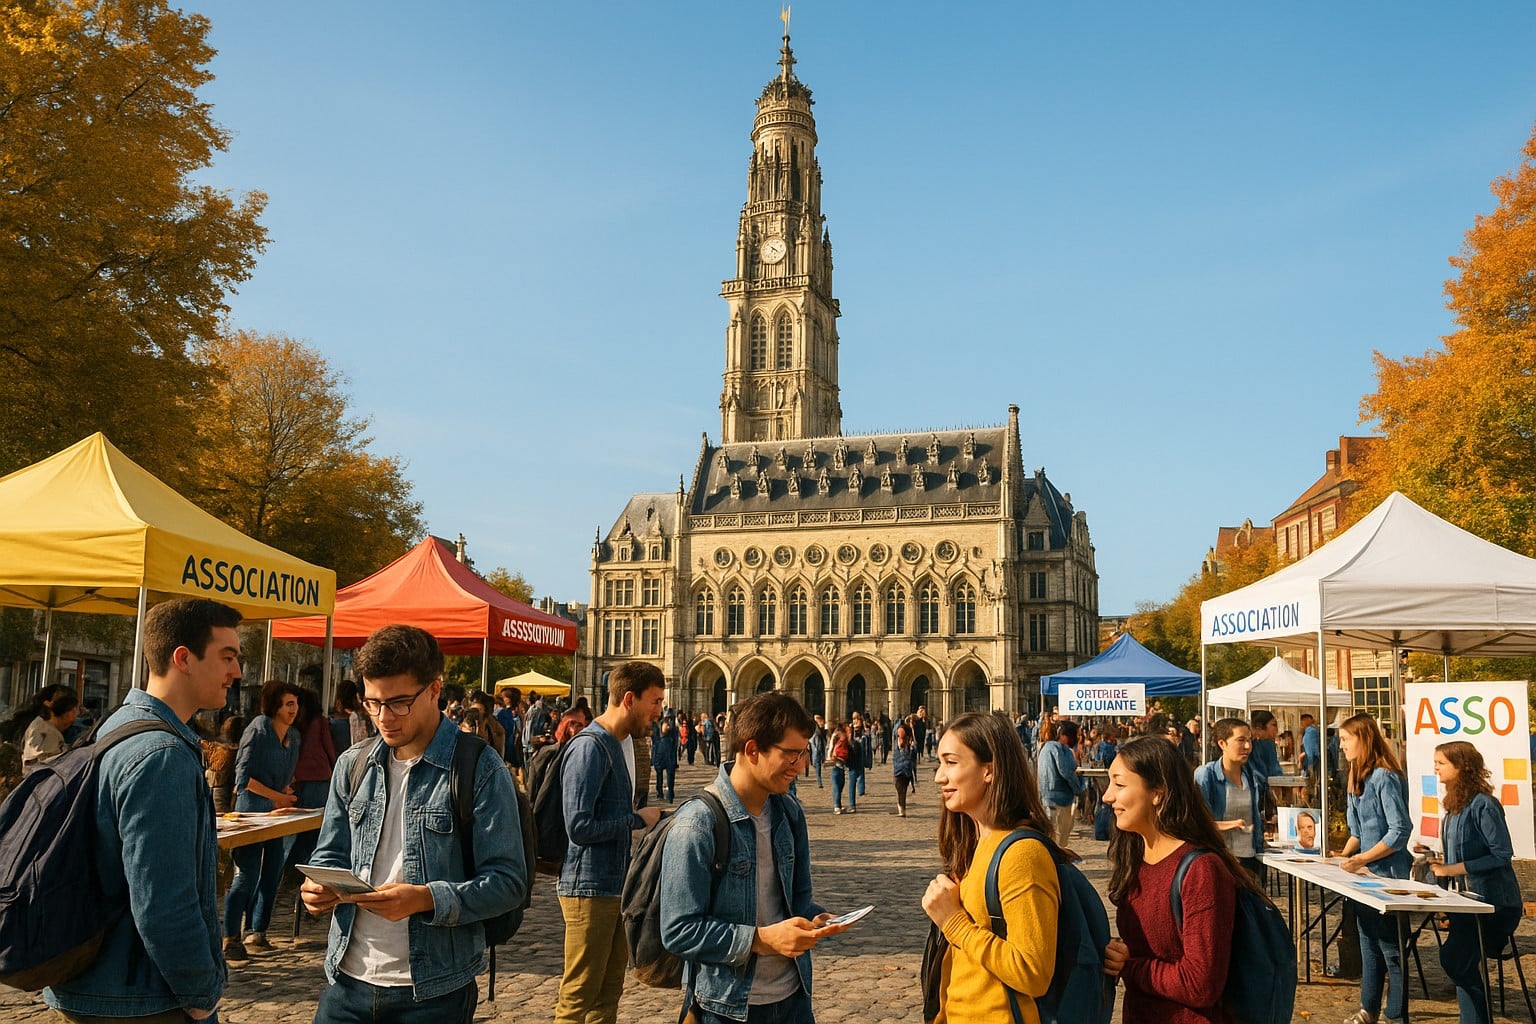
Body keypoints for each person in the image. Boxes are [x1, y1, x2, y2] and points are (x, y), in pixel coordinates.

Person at [300, 624, 526, 1024]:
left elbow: (508, 883)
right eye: (373, 703)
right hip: (347, 982)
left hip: (434, 991)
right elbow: (330, 853)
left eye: (399, 702)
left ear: (435, 689)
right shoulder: (353, 764)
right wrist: (318, 888)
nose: (384, 718)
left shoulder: (478, 767)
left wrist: (425, 898)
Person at [43, 598, 242, 1023]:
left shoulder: (118, 724)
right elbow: (164, 903)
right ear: (183, 658)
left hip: (97, 983)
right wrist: (202, 993)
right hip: (142, 999)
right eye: (227, 657)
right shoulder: (161, 754)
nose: (237, 672)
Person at [659, 692, 848, 1023]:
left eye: (804, 753)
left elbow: (798, 901)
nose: (802, 766)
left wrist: (817, 920)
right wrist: (761, 940)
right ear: (752, 750)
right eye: (792, 755)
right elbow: (678, 930)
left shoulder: (789, 813)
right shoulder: (698, 822)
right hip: (726, 1008)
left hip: (794, 999)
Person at [1101, 735, 1260, 1024]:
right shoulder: (1136, 858)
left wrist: (1130, 966)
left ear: (1157, 793)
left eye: (1119, 784)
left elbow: (1200, 984)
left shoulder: (1201, 871)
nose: (1107, 796)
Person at [923, 711, 1062, 1023]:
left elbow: (1032, 972)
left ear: (989, 770)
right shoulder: (974, 845)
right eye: (940, 762)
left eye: (951, 762)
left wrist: (953, 921)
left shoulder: (1022, 855)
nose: (938, 776)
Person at [554, 661, 666, 1024]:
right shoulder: (590, 747)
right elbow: (579, 827)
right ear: (629, 699)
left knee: (607, 994)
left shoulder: (620, 744)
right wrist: (638, 819)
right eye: (655, 701)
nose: (660, 712)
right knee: (579, 996)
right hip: (588, 888)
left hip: (614, 885)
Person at [1425, 741, 1522, 1024]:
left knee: (1454, 958)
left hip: (1495, 905)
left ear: (1462, 766)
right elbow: (1458, 855)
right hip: (1465, 903)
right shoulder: (1453, 807)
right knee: (1455, 958)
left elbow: (1502, 854)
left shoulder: (1484, 805)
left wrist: (1451, 868)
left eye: (1441, 763)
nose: (1435, 768)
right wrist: (1434, 859)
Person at [1337, 713, 1412, 1024]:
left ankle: (1395, 1015)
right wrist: (1340, 859)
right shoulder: (1356, 775)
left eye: (1345, 740)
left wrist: (1363, 859)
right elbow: (1357, 831)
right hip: (1364, 877)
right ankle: (1368, 1008)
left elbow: (1399, 829)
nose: (1340, 746)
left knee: (1391, 950)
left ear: (1362, 740)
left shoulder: (1385, 777)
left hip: (1388, 877)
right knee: (1367, 943)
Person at [223, 679, 303, 960]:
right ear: (275, 706)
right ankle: (230, 937)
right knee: (246, 875)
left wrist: (286, 793)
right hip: (252, 813)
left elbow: (286, 777)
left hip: (277, 816)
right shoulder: (257, 729)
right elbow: (243, 779)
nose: (294, 709)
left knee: (272, 874)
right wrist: (276, 797)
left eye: (295, 703)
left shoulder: (294, 736)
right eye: (288, 704)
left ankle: (258, 931)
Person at [1193, 717, 1267, 883]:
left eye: (1249, 740)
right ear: (1222, 744)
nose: (1247, 747)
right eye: (1241, 740)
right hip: (1220, 859)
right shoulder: (1206, 775)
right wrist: (1231, 824)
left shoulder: (1253, 777)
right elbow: (1197, 823)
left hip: (1250, 859)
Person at [287, 686, 339, 868]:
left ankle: (293, 866)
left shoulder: (296, 724)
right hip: (319, 776)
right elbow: (328, 747)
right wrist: (336, 767)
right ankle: (306, 864)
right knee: (315, 825)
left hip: (298, 778)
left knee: (296, 826)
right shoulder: (319, 721)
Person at [1037, 719, 1084, 856]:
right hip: (1061, 797)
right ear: (1065, 736)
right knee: (1060, 836)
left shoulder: (1045, 748)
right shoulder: (1060, 749)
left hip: (1046, 796)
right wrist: (1078, 789)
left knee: (1051, 832)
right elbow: (1066, 772)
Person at [21, 688, 78, 774]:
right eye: (73, 709)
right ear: (67, 712)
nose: (76, 714)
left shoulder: (45, 727)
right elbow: (47, 768)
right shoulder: (46, 733)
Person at [829, 722, 857, 814]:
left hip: (841, 764)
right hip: (837, 764)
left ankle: (838, 805)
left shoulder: (841, 737)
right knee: (837, 785)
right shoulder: (837, 735)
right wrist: (831, 757)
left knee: (840, 785)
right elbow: (831, 747)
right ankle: (836, 806)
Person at [892, 718, 918, 817]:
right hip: (899, 770)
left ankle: (901, 810)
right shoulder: (896, 742)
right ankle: (902, 809)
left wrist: (912, 730)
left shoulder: (910, 744)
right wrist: (902, 721)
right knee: (901, 791)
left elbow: (914, 750)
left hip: (905, 771)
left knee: (902, 791)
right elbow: (894, 731)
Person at [1248, 710, 1283, 780]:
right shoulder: (1252, 745)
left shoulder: (1266, 743)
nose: (1277, 729)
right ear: (1259, 728)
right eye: (1273, 725)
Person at [653, 712, 680, 803]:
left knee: (670, 777)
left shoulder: (672, 733)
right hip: (659, 756)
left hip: (669, 756)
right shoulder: (657, 731)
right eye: (666, 723)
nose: (668, 725)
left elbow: (675, 745)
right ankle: (659, 792)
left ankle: (670, 795)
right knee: (659, 776)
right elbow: (654, 744)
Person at [808, 713, 826, 786]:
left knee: (817, 766)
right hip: (816, 752)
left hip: (816, 752)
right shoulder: (817, 731)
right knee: (817, 767)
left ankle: (819, 782)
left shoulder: (817, 731)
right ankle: (819, 782)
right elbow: (816, 744)